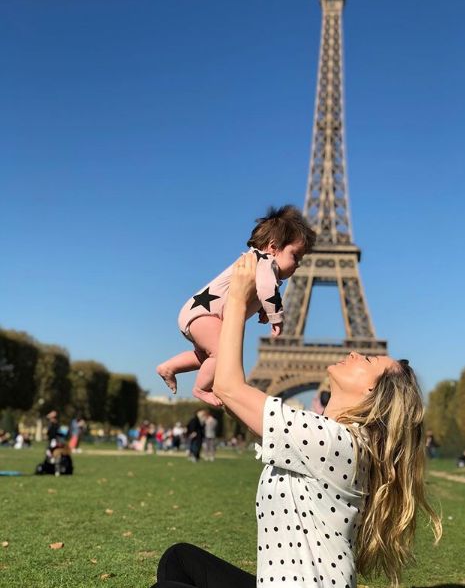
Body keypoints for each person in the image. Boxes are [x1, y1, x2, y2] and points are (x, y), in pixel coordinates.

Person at [151, 253, 442, 588]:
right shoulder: (330, 437)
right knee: (179, 559)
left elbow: (230, 388)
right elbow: (236, 402)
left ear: (371, 391)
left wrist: (237, 302)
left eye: (367, 359)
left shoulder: (334, 441)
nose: (353, 352)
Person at [156, 205, 316, 406]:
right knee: (224, 353)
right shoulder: (265, 261)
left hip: (200, 314)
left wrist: (262, 308)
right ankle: (200, 388)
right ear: (273, 247)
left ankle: (169, 367)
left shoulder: (258, 264)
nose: (298, 264)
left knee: (207, 357)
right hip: (205, 316)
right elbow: (266, 288)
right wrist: (276, 316)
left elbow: (259, 290)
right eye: (295, 256)